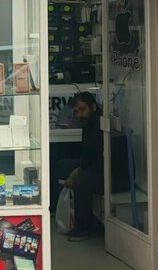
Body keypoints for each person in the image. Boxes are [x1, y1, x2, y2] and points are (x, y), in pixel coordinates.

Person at [60, 91, 105, 241]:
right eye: (76, 111)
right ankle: (62, 215)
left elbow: (101, 161)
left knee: (82, 180)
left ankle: (84, 227)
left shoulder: (101, 125)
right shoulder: (89, 124)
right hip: (95, 167)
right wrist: (77, 169)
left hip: (114, 174)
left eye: (82, 109)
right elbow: (87, 156)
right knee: (62, 166)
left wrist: (78, 172)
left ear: (93, 107)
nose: (79, 115)